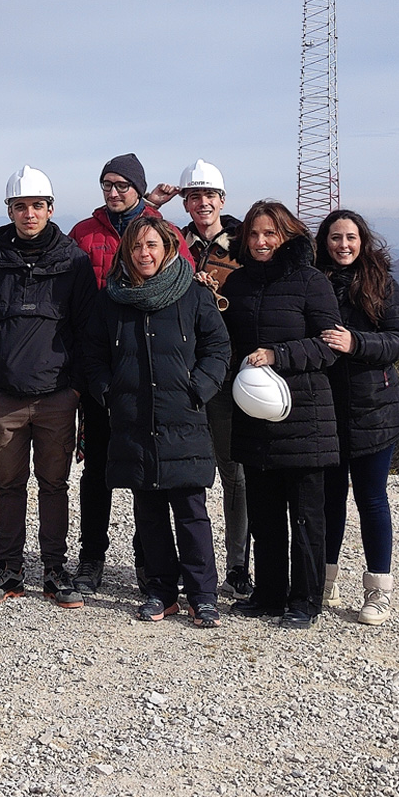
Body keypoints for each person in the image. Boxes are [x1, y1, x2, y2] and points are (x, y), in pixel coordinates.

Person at [79, 216, 230, 628]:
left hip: (183, 417)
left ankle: (203, 595)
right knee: (148, 511)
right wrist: (109, 392)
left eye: (151, 246)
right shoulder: (112, 299)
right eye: (136, 247)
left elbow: (218, 347)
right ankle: (161, 591)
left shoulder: (192, 294)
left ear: (166, 247)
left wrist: (198, 388)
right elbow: (92, 354)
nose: (144, 254)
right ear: (126, 253)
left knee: (190, 510)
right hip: (132, 419)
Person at [0, 166, 98, 609]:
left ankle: (55, 569)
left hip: (57, 395)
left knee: (54, 484)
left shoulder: (74, 260)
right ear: (9, 211)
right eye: (20, 206)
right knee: (7, 484)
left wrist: (76, 389)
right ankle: (8, 568)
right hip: (2, 396)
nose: (28, 214)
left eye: (36, 205)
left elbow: (86, 330)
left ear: (50, 208)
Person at [65, 153, 192, 596]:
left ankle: (148, 560)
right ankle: (91, 557)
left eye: (122, 184)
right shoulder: (83, 233)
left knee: (149, 472)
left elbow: (186, 297)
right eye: (107, 184)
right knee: (97, 468)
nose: (114, 191)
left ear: (138, 188)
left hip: (155, 372)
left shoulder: (167, 234)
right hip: (102, 368)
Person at [218, 200, 342, 630]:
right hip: (253, 412)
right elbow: (227, 342)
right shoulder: (236, 284)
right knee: (265, 511)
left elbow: (328, 346)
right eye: (253, 234)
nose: (260, 241)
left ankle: (305, 600)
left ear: (287, 236)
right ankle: (269, 594)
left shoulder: (311, 282)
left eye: (270, 233)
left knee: (307, 514)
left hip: (305, 413)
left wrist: (278, 354)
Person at [315, 209, 399, 626]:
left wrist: (356, 343)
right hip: (325, 409)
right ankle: (324, 582)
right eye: (335, 238)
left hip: (375, 410)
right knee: (329, 501)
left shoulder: (382, 283)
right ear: (324, 242)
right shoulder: (313, 282)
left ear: (363, 240)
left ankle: (378, 592)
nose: (343, 245)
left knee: (372, 500)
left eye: (350, 237)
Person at [174, 159, 252, 599]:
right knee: (186, 474)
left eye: (209, 196)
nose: (202, 203)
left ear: (222, 200)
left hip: (229, 370)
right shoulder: (173, 243)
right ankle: (196, 563)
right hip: (184, 372)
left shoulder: (244, 245)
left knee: (233, 473)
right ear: (185, 202)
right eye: (194, 196)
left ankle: (237, 564)